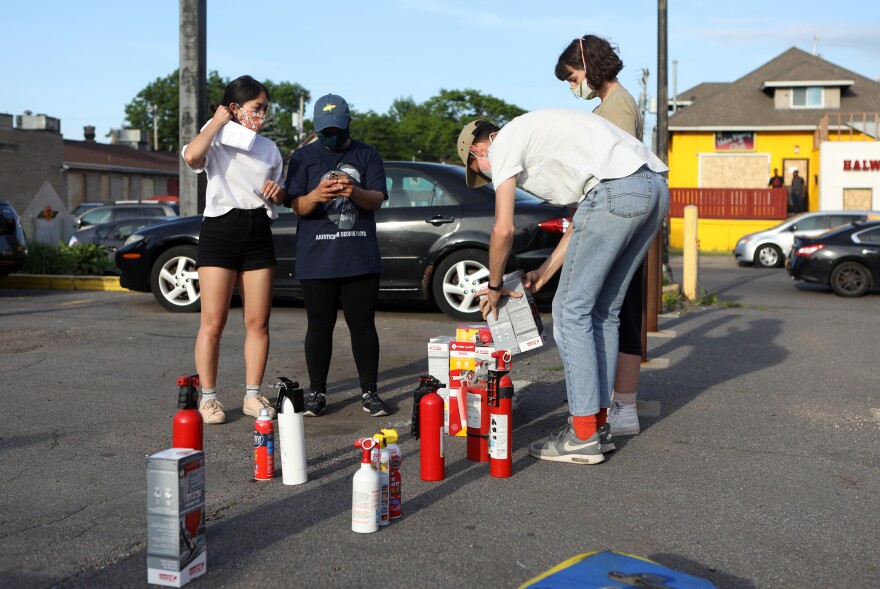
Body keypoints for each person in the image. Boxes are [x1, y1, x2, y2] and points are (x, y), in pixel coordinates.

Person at [457, 110, 669, 465]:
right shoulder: (542, 137)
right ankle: (597, 425)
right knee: (602, 312)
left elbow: (503, 230)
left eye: (480, 171)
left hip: (616, 189)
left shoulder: (504, 141)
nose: (488, 176)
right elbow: (585, 215)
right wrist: (542, 273)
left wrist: (494, 285)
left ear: (480, 149)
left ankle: (582, 434)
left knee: (570, 313)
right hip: (654, 187)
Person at [181, 75, 286, 425]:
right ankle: (208, 399)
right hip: (220, 230)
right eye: (257, 108)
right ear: (235, 107)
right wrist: (217, 122)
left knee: (258, 322)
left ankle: (252, 396)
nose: (262, 115)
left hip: (257, 229)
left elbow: (281, 193)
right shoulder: (215, 139)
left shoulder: (270, 149)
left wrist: (278, 192)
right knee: (213, 322)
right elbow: (191, 156)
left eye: (265, 109)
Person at [554, 34, 644, 437]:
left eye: (573, 78)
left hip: (617, 214)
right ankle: (603, 412)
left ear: (589, 68)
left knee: (597, 313)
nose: (574, 87)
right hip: (623, 214)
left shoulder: (617, 106)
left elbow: (618, 167)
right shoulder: (608, 105)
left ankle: (607, 412)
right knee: (608, 313)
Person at [284, 94, 391, 417]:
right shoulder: (303, 157)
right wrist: (317, 194)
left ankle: (369, 392)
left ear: (347, 125)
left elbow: (376, 200)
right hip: (317, 259)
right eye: (324, 130)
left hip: (359, 258)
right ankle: (317, 392)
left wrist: (351, 190)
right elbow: (297, 207)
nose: (330, 136)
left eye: (336, 129)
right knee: (319, 326)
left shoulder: (366, 154)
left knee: (363, 325)